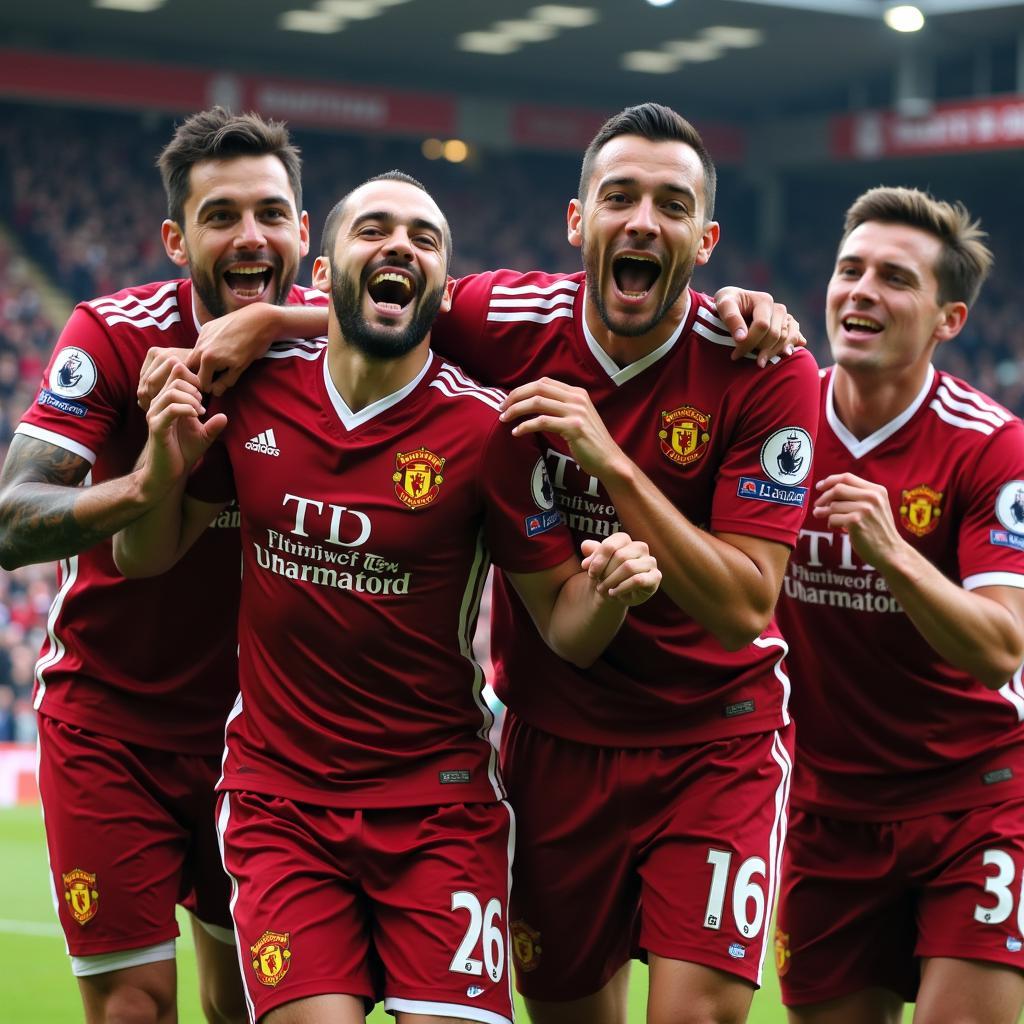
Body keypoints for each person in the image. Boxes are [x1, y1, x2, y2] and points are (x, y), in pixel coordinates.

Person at [139, 101, 819, 1024]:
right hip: (548, 737)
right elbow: (377, 299)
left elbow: (747, 606)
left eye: (672, 204)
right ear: (578, 222)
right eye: (619, 196)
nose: (643, 222)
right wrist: (261, 326)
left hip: (712, 735)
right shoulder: (497, 316)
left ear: (706, 240)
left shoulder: (760, 363)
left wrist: (610, 464)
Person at [113, 171, 662, 1024]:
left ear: (439, 291)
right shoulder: (250, 390)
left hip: (438, 805)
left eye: (426, 238)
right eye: (373, 229)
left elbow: (568, 628)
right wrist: (158, 463)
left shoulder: (491, 434)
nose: (401, 245)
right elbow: (141, 556)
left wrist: (611, 591)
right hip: (279, 803)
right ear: (323, 272)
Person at [0, 107, 321, 1024]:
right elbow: (13, 517)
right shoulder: (112, 332)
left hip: (266, 741)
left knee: (245, 1004)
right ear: (178, 239)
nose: (249, 235)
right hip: (114, 725)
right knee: (133, 1009)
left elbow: (475, 307)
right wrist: (144, 488)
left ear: (304, 230)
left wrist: (736, 308)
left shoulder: (346, 345)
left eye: (270, 212)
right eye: (221, 216)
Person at [774, 187, 1024, 1024]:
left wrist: (892, 552)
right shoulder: (774, 417)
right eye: (850, 270)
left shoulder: (991, 444)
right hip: (826, 809)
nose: (862, 292)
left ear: (949, 319)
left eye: (895, 278)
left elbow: (999, 648)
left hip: (978, 794)